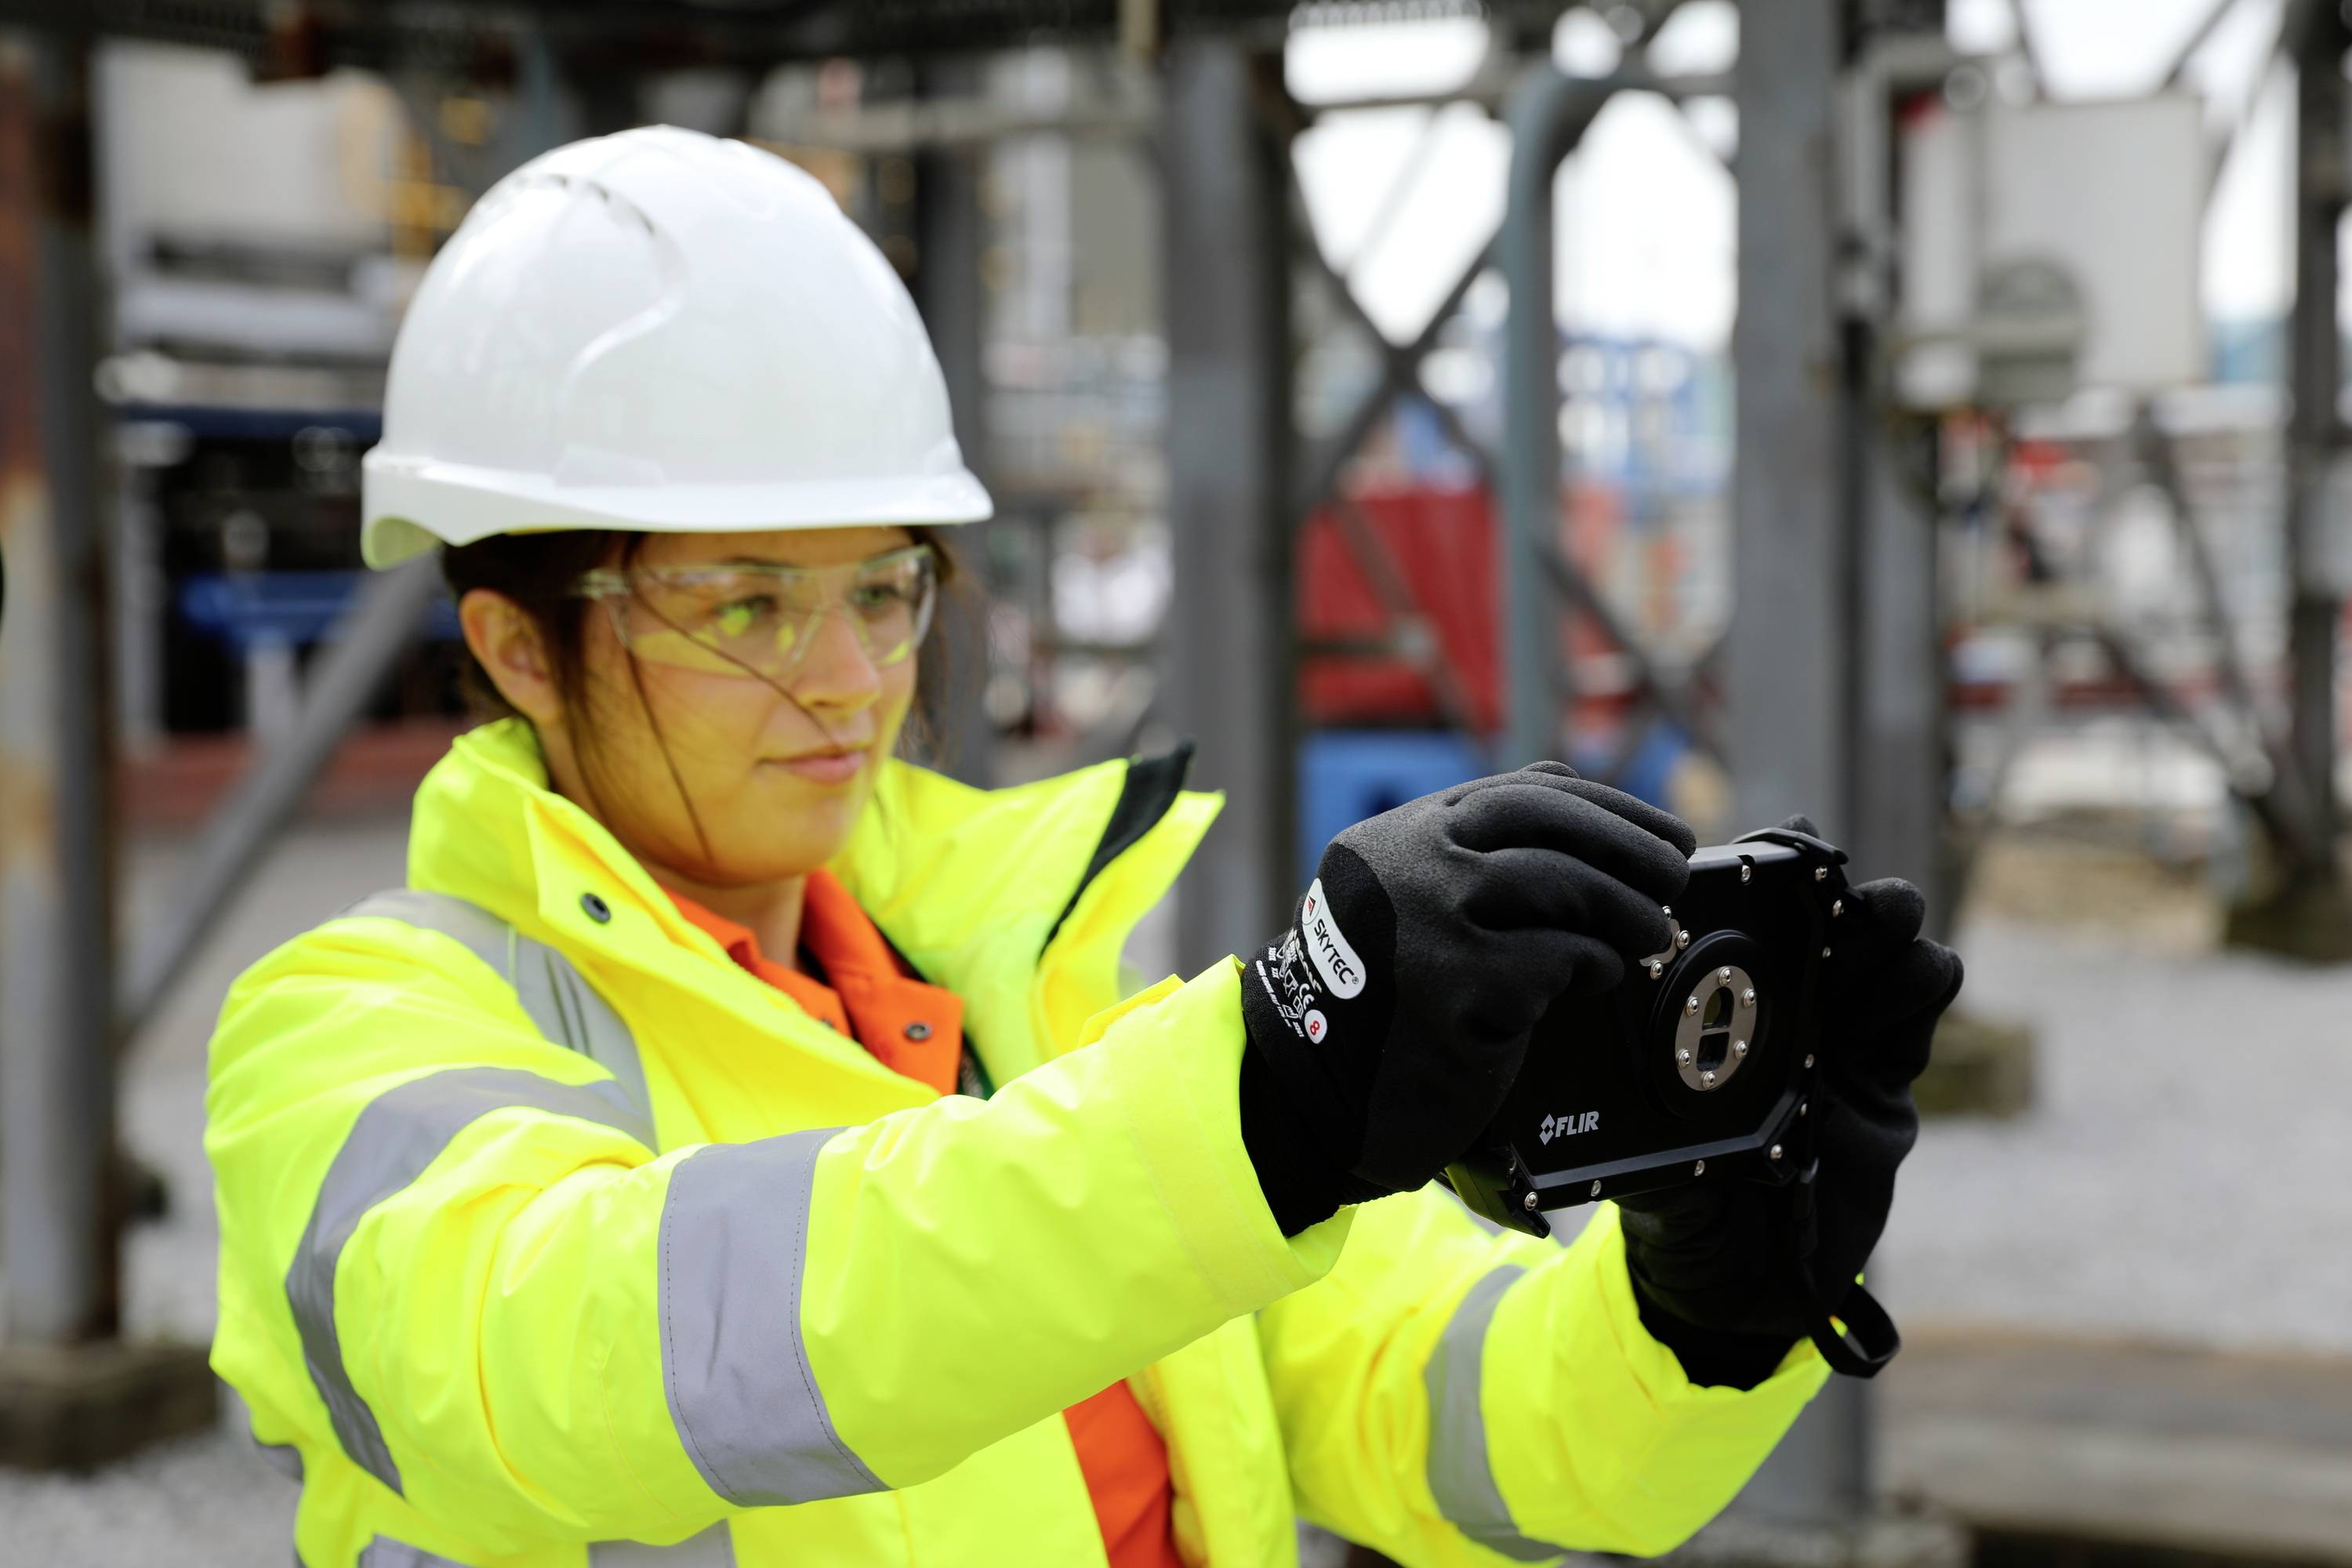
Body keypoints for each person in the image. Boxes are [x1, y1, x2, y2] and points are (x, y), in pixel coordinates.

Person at [206, 127, 1962, 1568]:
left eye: (886, 591)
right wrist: (1258, 1100)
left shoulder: (1033, 997)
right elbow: (571, 1361)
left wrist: (1704, 1312)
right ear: (519, 644)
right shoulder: (350, 1033)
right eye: (746, 604)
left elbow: (1430, 1406)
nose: (849, 682)